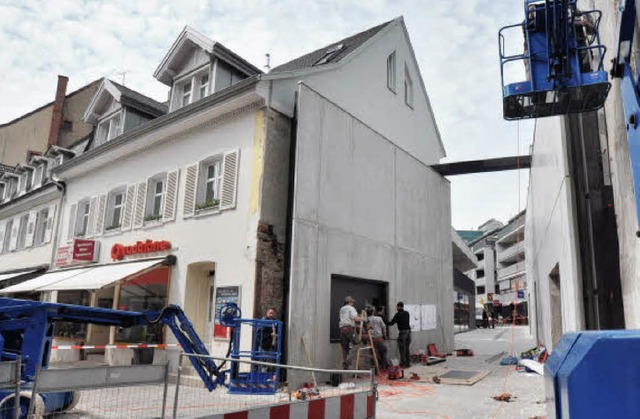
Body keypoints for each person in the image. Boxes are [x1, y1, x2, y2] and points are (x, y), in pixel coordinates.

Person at [339, 296, 363, 370]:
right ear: (349, 302)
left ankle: (345, 366)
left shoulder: (342, 309)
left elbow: (346, 318)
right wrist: (363, 319)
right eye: (352, 302)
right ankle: (348, 359)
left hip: (342, 329)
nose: (353, 303)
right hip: (349, 329)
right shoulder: (351, 308)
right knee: (357, 343)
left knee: (345, 348)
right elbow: (355, 318)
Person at [388, 301, 411, 368]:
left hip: (402, 333)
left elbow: (391, 323)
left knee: (402, 349)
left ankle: (402, 363)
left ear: (399, 307)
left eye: (397, 307)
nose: (396, 308)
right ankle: (408, 363)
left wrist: (384, 321)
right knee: (407, 348)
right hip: (408, 332)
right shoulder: (407, 313)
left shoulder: (397, 315)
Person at [366, 306, 389, 371]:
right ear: (373, 312)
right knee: (384, 350)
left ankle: (375, 369)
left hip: (371, 339)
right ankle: (384, 366)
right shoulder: (378, 318)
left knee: (373, 353)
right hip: (379, 338)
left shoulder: (365, 320)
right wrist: (385, 335)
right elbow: (384, 326)